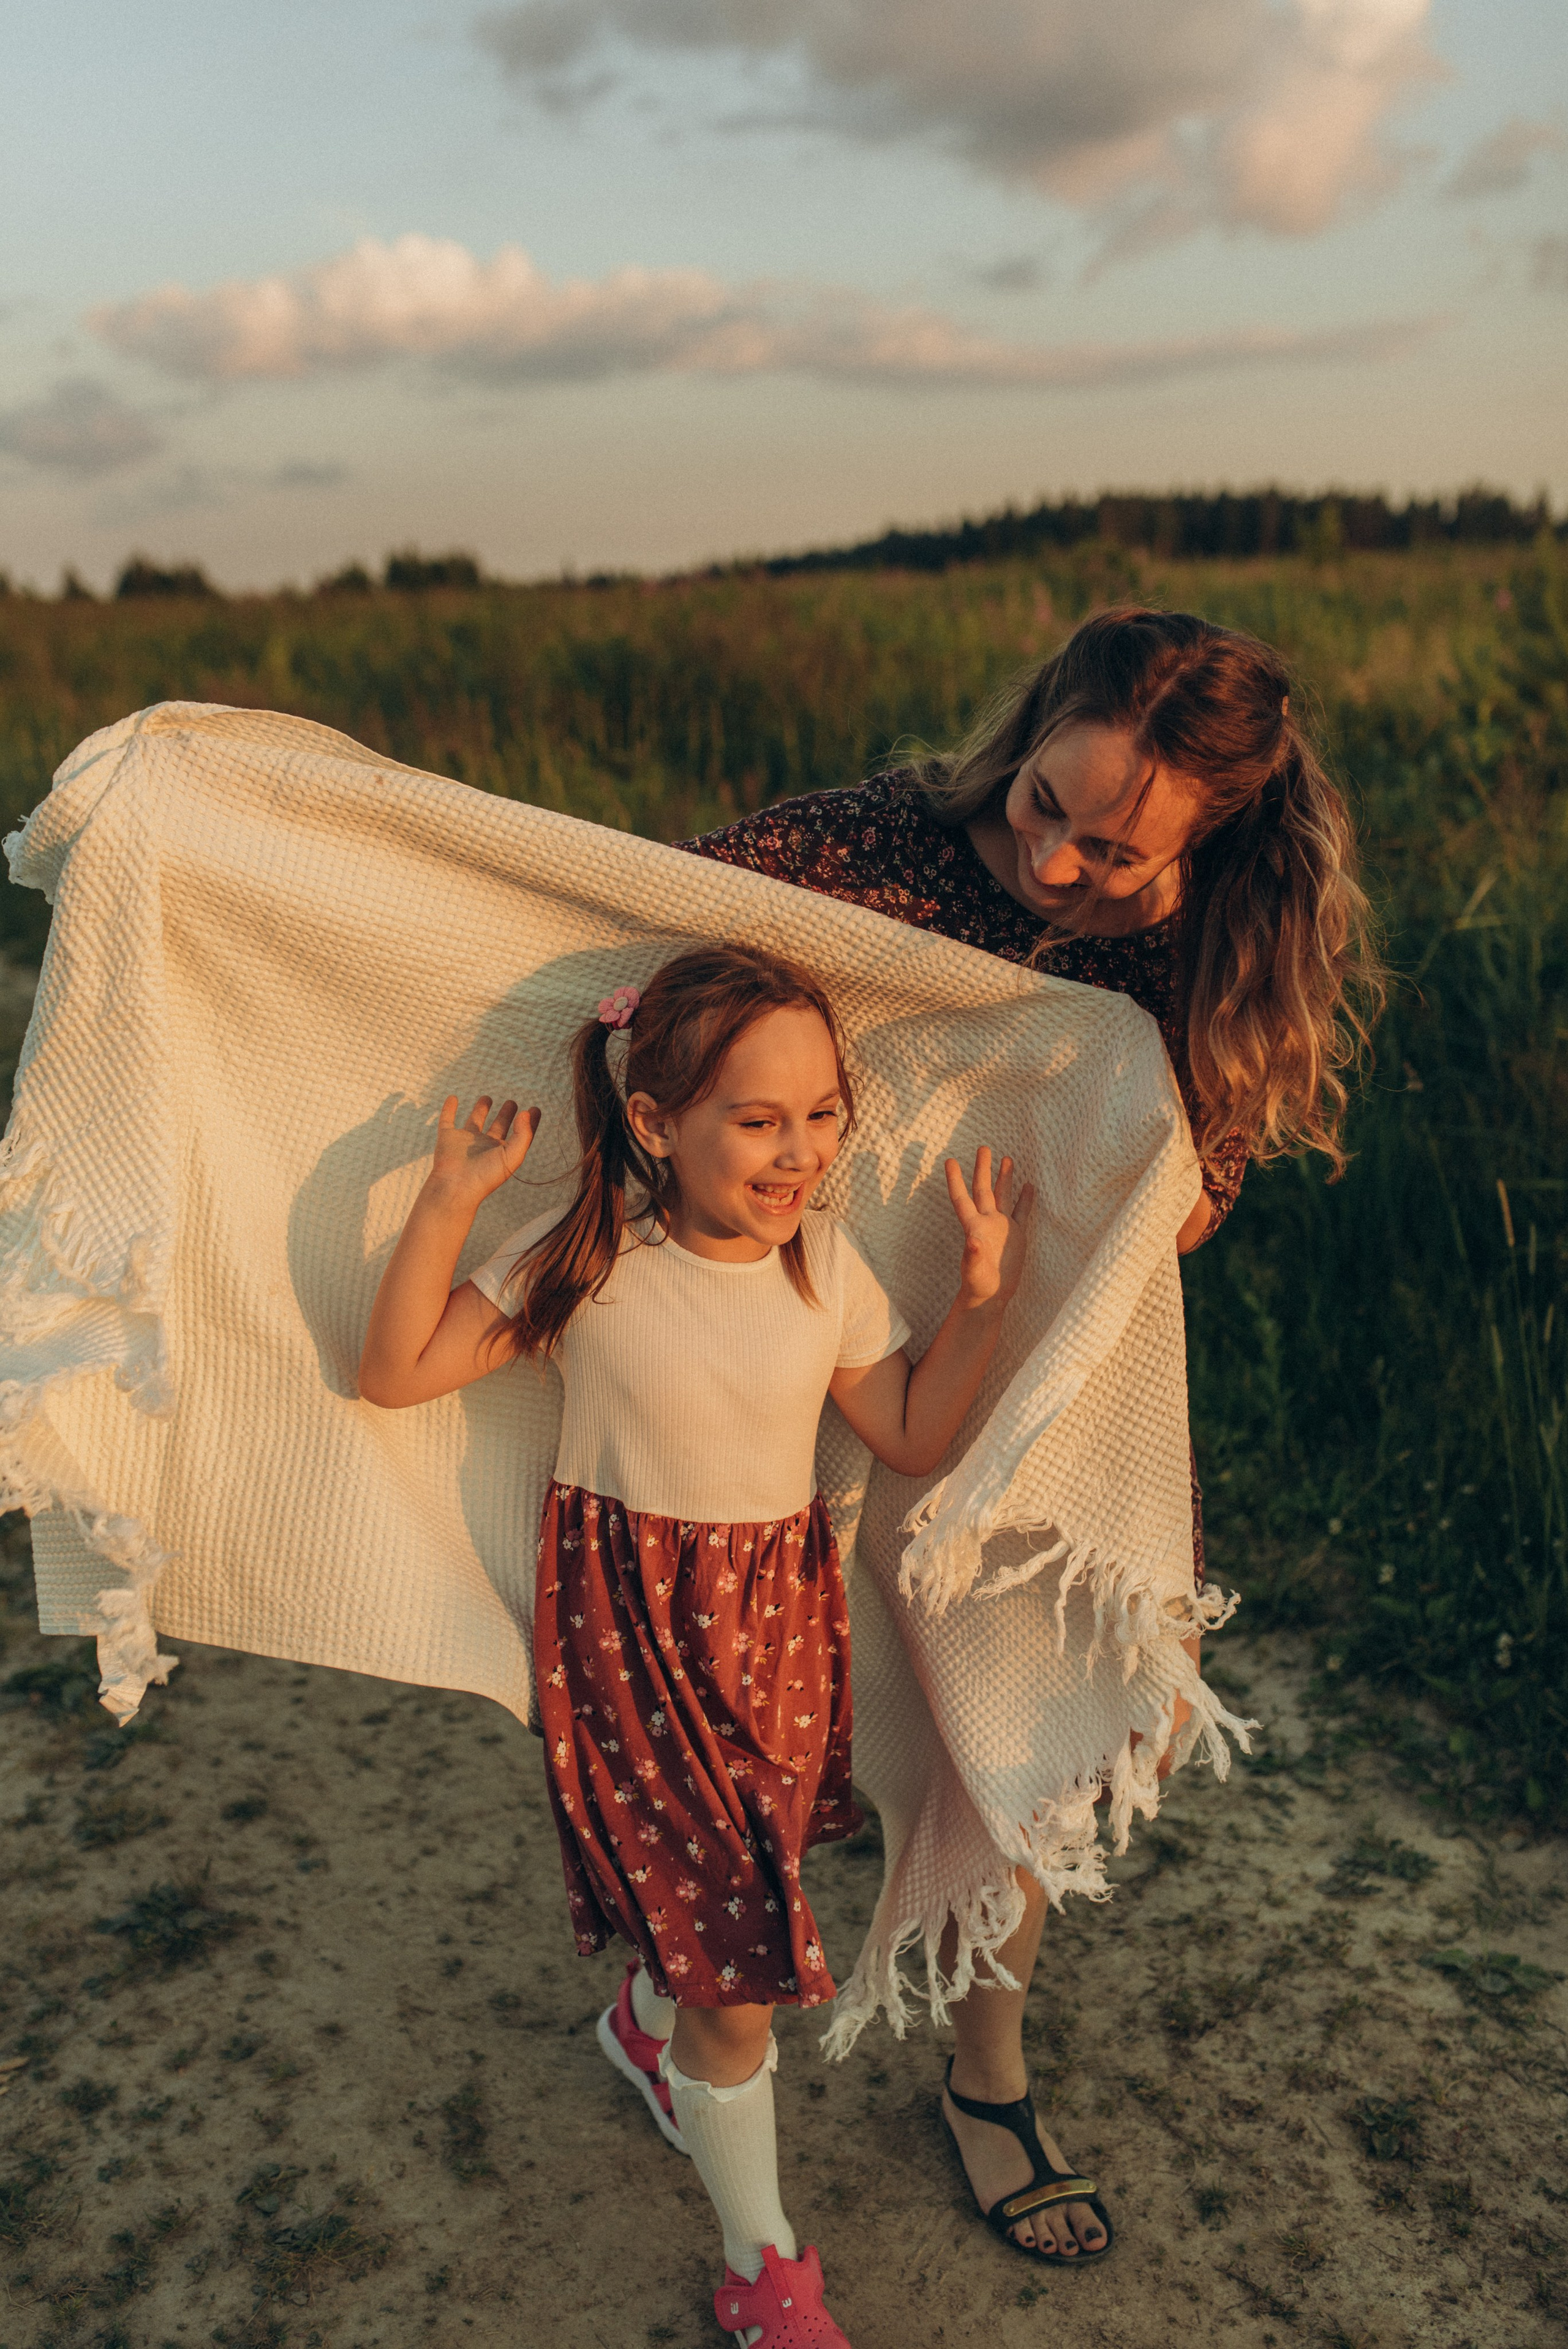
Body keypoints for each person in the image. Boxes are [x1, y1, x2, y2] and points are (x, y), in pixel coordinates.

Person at [661, 606, 1384, 2265]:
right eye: (1045, 806)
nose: (1054, 860)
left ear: (1221, 828)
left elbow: (1190, 1198)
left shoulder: (1219, 941)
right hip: (818, 1357)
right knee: (761, 1693)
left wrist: (1082, 1115)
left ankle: (987, 2073)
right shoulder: (872, 842)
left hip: (1045, 1381)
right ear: (1032, 732)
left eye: (1113, 846)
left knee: (1021, 1708)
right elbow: (644, 942)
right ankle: (682, 2002)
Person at [357, 943, 1036, 2346]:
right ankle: (762, 2270)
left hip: (778, 1644)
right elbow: (395, 1371)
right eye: (758, 1119)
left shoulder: (825, 1267)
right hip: (631, 1654)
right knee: (739, 1978)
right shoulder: (589, 1260)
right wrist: (445, 1199)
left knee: (726, 1906)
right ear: (658, 1122)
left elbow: (910, 1432)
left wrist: (978, 1302)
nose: (800, 1155)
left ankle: (644, 2027)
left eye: (822, 1115)